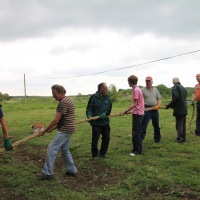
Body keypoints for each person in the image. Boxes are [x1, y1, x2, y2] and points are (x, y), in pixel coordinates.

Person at [37, 84, 77, 180]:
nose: (53, 95)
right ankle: (72, 170)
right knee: (65, 150)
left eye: (54, 93)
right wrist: (52, 128)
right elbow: (64, 118)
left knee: (52, 148)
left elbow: (56, 120)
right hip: (70, 129)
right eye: (52, 93)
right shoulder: (69, 100)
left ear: (61, 92)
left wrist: (44, 131)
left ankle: (47, 172)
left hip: (65, 130)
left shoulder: (63, 102)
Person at [86, 82, 112, 159]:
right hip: (96, 123)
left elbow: (109, 108)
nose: (107, 89)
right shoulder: (93, 97)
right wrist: (89, 116)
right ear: (101, 89)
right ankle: (95, 155)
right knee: (95, 139)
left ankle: (102, 154)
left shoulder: (107, 98)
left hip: (105, 122)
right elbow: (89, 109)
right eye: (106, 88)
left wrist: (105, 114)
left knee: (106, 138)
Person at [120, 75, 144, 156]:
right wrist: (130, 107)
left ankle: (135, 151)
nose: (128, 83)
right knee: (137, 133)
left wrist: (125, 111)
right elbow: (136, 104)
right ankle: (139, 150)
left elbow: (135, 104)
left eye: (128, 82)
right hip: (139, 113)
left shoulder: (136, 90)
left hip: (137, 114)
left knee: (135, 133)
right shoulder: (137, 89)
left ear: (130, 82)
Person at [165, 77, 187, 143]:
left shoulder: (175, 87)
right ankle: (183, 138)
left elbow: (175, 98)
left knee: (179, 124)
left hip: (179, 109)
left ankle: (180, 138)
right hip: (184, 108)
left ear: (174, 81)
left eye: (172, 81)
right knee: (183, 124)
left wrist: (168, 105)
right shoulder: (183, 87)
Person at [141, 76, 161, 143]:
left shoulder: (155, 89)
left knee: (156, 125)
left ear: (152, 81)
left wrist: (158, 105)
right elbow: (140, 101)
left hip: (155, 109)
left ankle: (157, 139)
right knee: (144, 125)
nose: (148, 82)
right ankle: (140, 140)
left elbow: (159, 99)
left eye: (149, 81)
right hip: (146, 109)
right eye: (146, 81)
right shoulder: (142, 90)